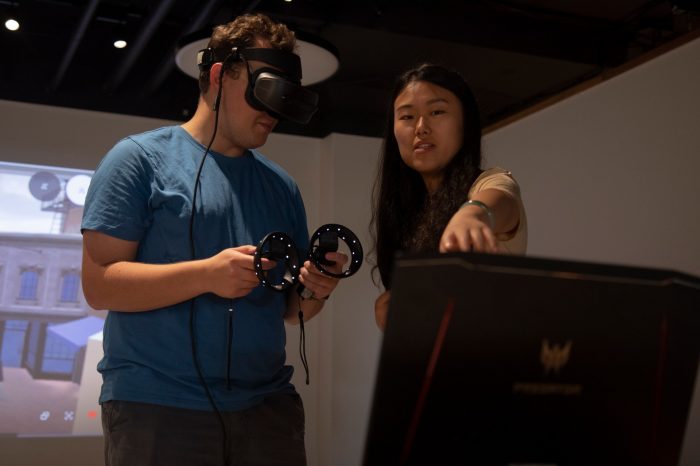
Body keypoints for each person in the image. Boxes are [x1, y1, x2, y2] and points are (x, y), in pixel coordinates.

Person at [81, 13, 344, 466]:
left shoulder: (281, 187)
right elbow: (100, 284)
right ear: (220, 76)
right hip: (158, 408)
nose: (273, 112)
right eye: (265, 90)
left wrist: (316, 288)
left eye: (285, 97)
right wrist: (207, 275)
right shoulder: (138, 160)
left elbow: (291, 311)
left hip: (267, 412)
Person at [370, 63, 527, 331]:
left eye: (437, 111)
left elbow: (501, 199)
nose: (421, 127)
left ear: (466, 123)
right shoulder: (409, 211)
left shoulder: (487, 182)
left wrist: (474, 213)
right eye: (407, 117)